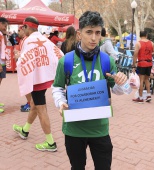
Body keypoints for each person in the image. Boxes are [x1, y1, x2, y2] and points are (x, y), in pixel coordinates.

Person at [52, 11, 128, 170]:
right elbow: (58, 87)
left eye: (97, 33)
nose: (94, 38)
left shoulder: (106, 60)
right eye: (89, 32)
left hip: (99, 129)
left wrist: (120, 82)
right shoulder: (66, 61)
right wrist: (61, 103)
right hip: (74, 129)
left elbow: (117, 91)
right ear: (79, 34)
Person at [13, 16, 63, 151]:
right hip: (46, 77)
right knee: (35, 104)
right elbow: (59, 54)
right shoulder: (44, 39)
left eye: (23, 27)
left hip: (37, 80)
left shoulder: (28, 41)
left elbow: (23, 61)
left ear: (26, 27)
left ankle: (50, 143)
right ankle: (25, 130)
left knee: (41, 109)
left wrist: (18, 58)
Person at [132, 30, 154, 103]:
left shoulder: (138, 43)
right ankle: (148, 95)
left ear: (140, 36)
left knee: (141, 80)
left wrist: (133, 65)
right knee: (147, 79)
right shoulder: (151, 43)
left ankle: (140, 97)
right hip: (149, 64)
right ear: (146, 35)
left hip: (141, 63)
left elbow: (135, 54)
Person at [14, 25, 31, 112]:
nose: (18, 32)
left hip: (26, 67)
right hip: (24, 66)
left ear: (23, 30)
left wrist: (18, 54)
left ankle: (30, 104)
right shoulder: (23, 40)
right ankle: (29, 103)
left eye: (19, 30)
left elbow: (27, 54)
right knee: (26, 87)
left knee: (26, 87)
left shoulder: (26, 40)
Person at [0, 17, 9, 113]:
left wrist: (5, 34)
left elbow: (5, 45)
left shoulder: (2, 34)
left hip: (2, 63)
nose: (5, 28)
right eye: (4, 26)